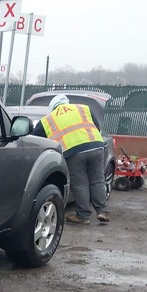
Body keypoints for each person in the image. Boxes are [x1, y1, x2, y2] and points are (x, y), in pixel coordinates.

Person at [33, 94, 110, 225]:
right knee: (97, 180)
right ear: (66, 103)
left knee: (81, 184)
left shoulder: (47, 120)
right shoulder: (83, 109)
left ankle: (83, 215)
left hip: (74, 152)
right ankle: (102, 211)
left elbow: (36, 140)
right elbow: (96, 127)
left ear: (53, 107)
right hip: (97, 146)